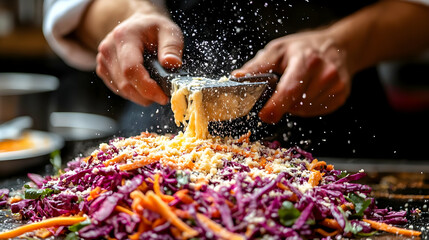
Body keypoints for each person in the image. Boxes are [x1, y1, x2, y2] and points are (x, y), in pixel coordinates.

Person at [43, 0, 429, 158]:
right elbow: (71, 7)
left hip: (344, 141)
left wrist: (346, 43)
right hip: (159, 141)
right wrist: (129, 15)